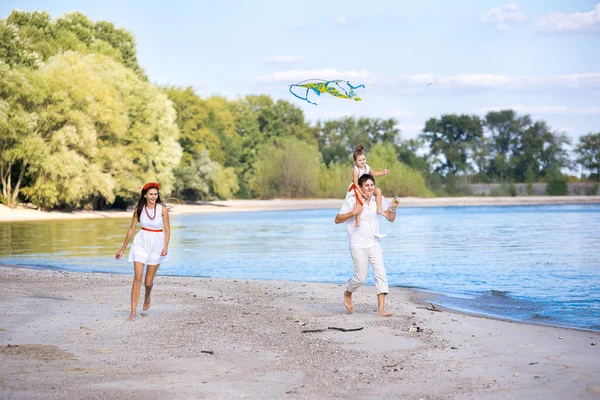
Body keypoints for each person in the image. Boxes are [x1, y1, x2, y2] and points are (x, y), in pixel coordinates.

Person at [335, 173, 399, 317]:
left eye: (372, 185)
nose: (370, 188)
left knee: (381, 273)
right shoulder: (352, 201)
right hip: (358, 244)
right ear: (361, 187)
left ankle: (381, 309)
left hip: (374, 241)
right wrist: (353, 213)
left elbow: (390, 218)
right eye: (366, 186)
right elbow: (337, 219)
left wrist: (393, 208)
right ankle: (348, 292)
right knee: (361, 278)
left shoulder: (378, 200)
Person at [115, 182, 171, 321]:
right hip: (141, 242)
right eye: (151, 194)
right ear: (145, 195)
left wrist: (165, 247)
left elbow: (168, 230)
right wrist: (123, 248)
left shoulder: (162, 209)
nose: (153, 196)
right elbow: (132, 230)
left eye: (155, 194)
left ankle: (147, 296)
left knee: (147, 282)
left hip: (157, 244)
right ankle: (133, 312)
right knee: (137, 279)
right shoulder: (139, 209)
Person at [345, 145, 389, 227]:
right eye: (360, 160)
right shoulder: (356, 170)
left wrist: (383, 172)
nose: (362, 162)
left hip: (366, 185)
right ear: (355, 161)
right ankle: (358, 219)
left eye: (364, 159)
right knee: (358, 197)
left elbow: (374, 173)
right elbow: (355, 183)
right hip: (357, 186)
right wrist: (362, 193)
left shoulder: (367, 167)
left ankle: (379, 209)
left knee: (378, 191)